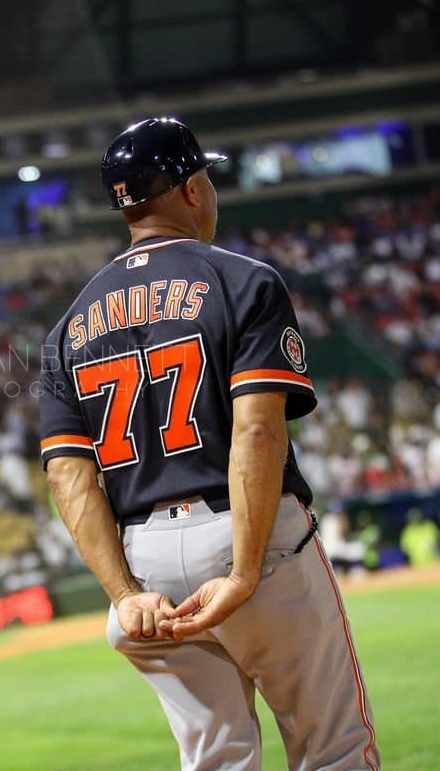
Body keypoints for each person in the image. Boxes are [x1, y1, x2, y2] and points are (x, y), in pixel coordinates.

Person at [40, 117, 379, 770]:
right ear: (191, 190)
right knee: (332, 748)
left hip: (146, 561)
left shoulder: (67, 326)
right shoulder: (244, 280)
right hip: (248, 537)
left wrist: (125, 596)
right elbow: (255, 430)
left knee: (217, 759)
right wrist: (242, 572)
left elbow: (69, 479)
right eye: (207, 177)